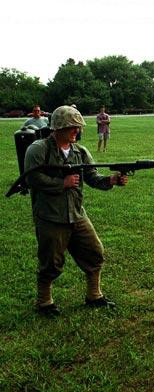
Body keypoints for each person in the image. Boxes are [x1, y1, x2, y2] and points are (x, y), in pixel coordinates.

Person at [24, 105, 128, 316]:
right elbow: (31, 178)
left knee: (94, 253)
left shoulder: (80, 152)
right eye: (72, 127)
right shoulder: (39, 149)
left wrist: (112, 180)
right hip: (51, 216)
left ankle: (94, 296)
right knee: (51, 263)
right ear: (58, 127)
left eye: (78, 127)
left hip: (77, 214)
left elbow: (92, 177)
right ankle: (44, 303)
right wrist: (61, 183)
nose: (76, 131)